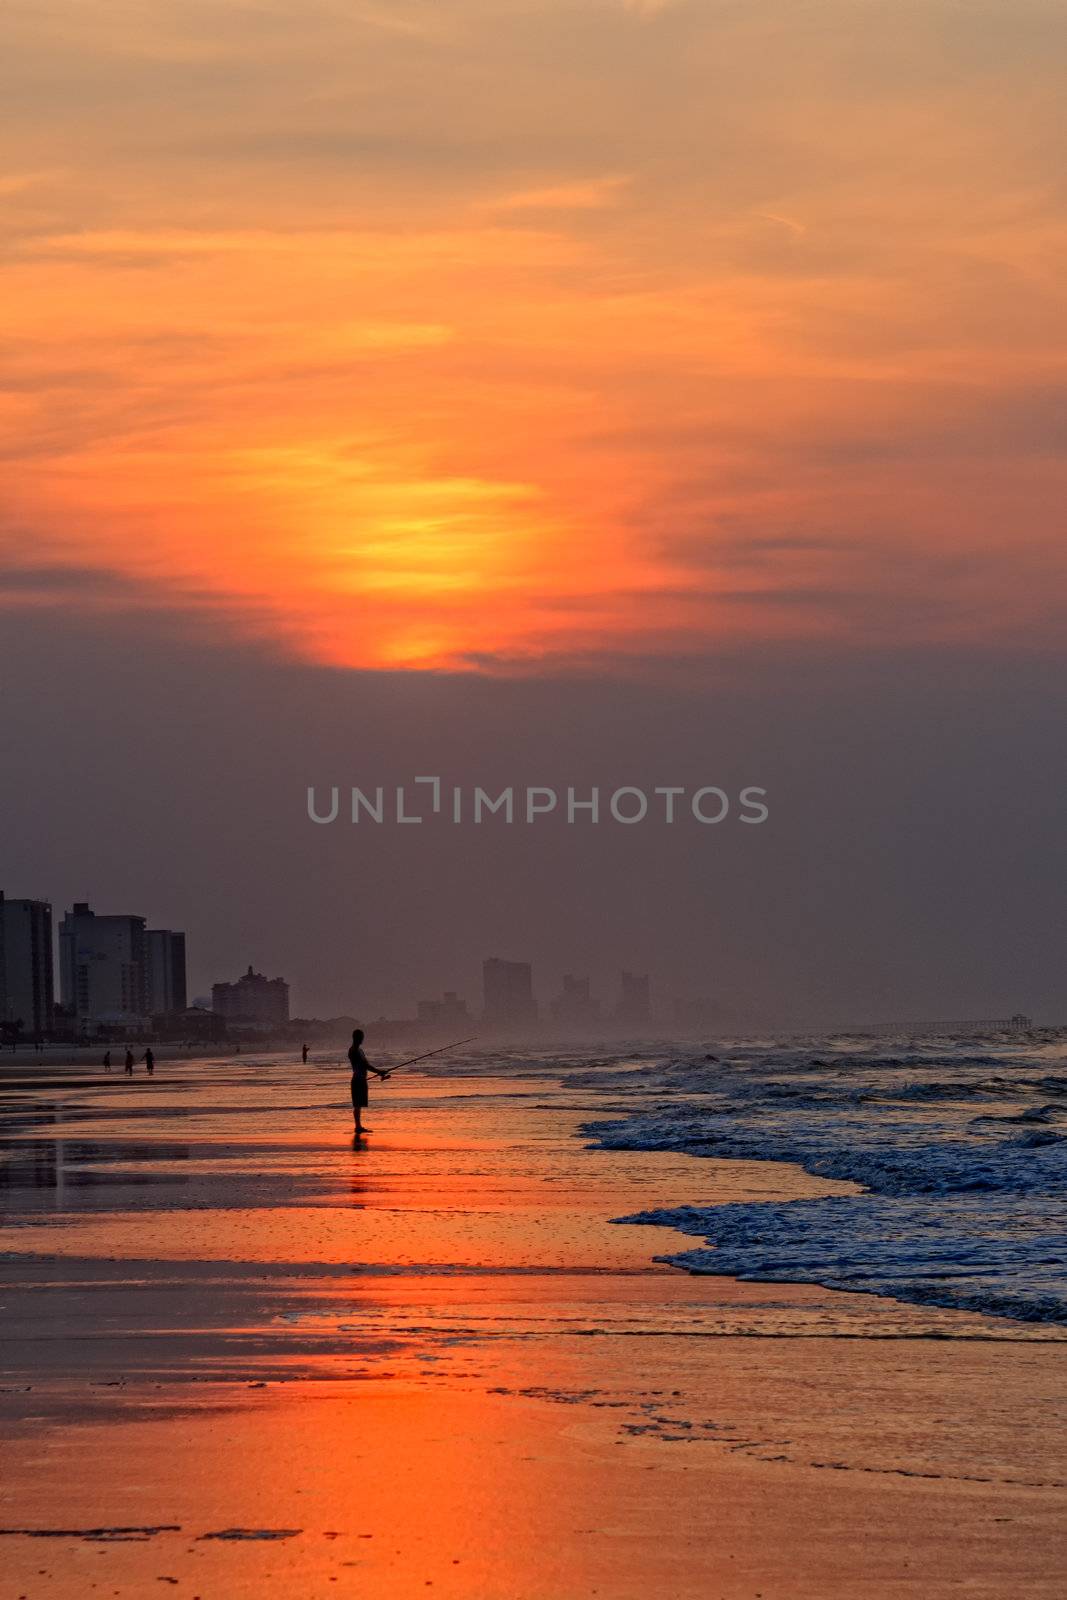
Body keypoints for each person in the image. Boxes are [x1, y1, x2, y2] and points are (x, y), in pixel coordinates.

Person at [347, 1029, 389, 1137]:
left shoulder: (359, 1050)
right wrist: (379, 1072)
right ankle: (358, 1127)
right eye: (361, 1037)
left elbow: (365, 1064)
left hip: (361, 1079)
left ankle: (358, 1126)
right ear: (357, 1038)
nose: (362, 1039)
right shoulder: (354, 1051)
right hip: (358, 1080)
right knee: (357, 1105)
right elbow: (365, 1065)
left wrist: (379, 1072)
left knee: (359, 1105)